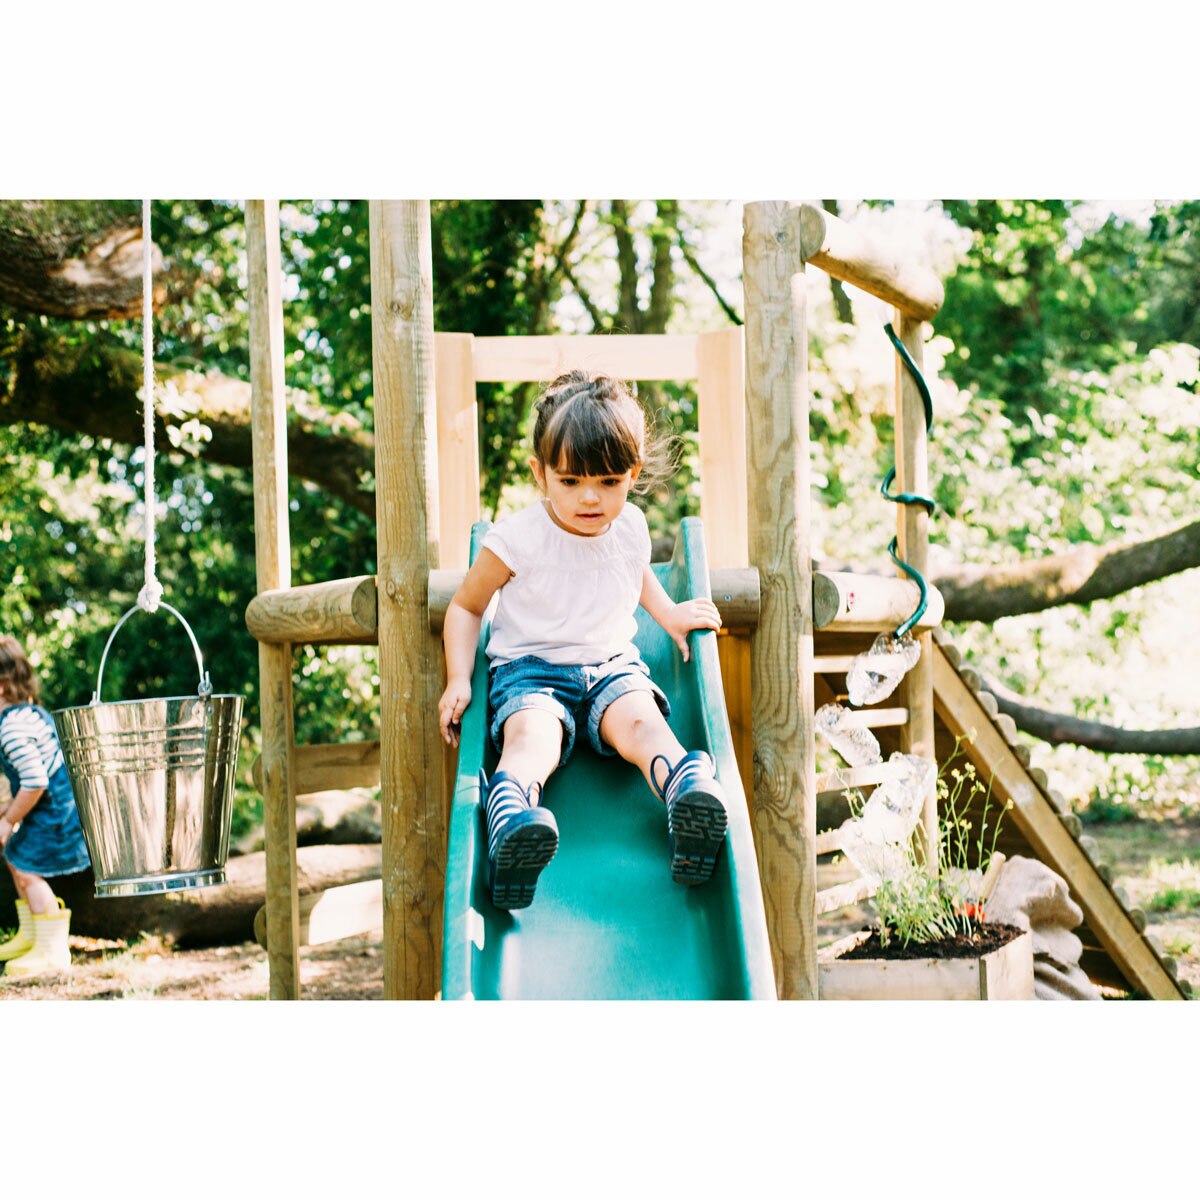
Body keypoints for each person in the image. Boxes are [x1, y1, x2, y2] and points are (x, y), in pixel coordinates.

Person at [438, 370, 729, 910]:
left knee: (642, 724)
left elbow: (634, 570)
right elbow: (466, 605)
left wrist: (667, 614)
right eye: (570, 481)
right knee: (534, 740)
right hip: (531, 669)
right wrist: (459, 676)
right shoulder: (517, 539)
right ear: (540, 473)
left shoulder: (631, 526)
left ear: (632, 474)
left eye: (608, 481)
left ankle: (686, 793)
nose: (590, 498)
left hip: (610, 665)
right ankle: (513, 824)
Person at [0, 636, 90, 977]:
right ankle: (32, 935)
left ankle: (53, 950)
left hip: (58, 813)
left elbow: (36, 781)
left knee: (25, 866)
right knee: (15, 856)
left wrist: (9, 820)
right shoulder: (25, 714)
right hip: (50, 807)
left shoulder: (11, 728)